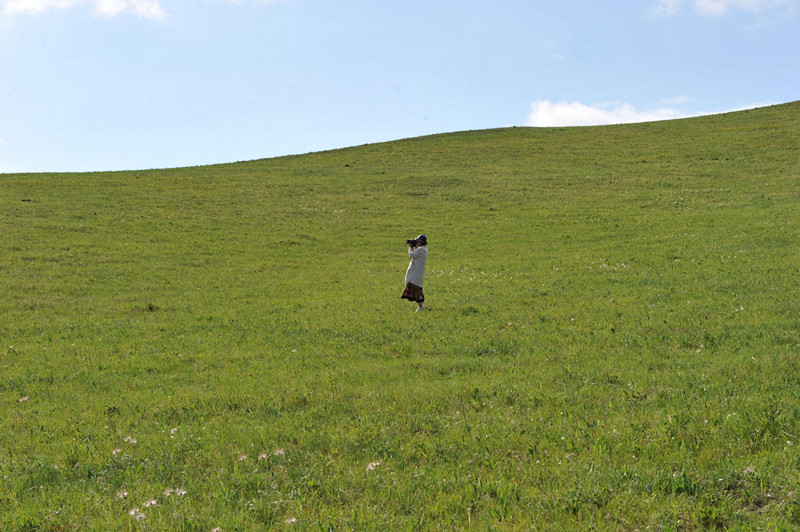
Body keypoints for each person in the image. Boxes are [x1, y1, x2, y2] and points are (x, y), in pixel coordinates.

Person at [401, 234, 428, 312]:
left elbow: (411, 255)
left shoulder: (422, 250)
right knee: (415, 287)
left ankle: (420, 307)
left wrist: (410, 248)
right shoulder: (422, 249)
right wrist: (415, 247)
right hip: (416, 271)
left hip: (416, 271)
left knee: (416, 288)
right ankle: (420, 307)